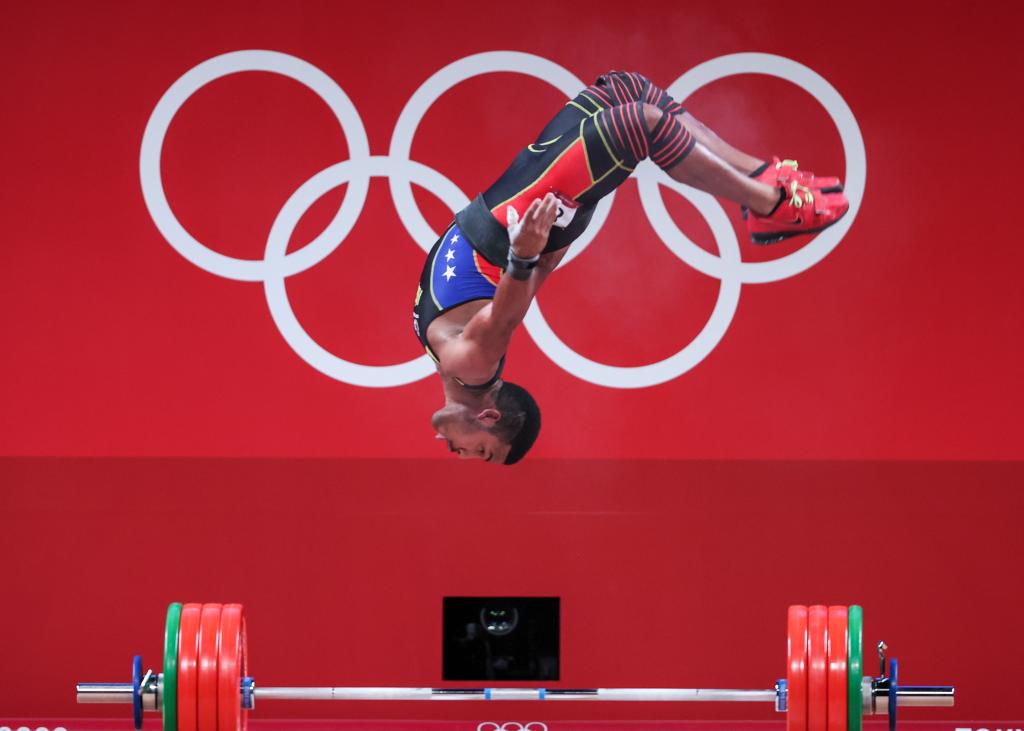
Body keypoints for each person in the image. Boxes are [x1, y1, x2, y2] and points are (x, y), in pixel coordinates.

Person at [412, 71, 848, 464]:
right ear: (488, 417)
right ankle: (767, 202)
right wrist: (530, 249)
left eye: (479, 455)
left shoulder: (458, 364)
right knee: (641, 124)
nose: (461, 455)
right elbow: (505, 315)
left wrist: (556, 233)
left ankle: (764, 176)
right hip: (522, 214)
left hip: (525, 215)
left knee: (627, 90)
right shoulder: (471, 367)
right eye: (481, 452)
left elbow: (517, 298)